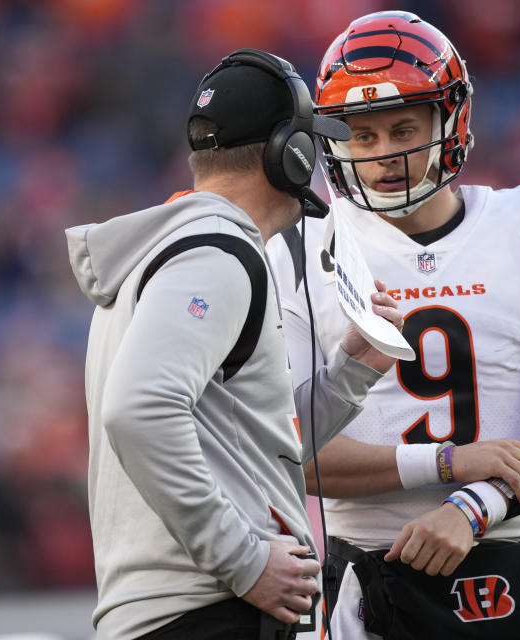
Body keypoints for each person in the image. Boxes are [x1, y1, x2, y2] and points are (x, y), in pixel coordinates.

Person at [266, 11, 520, 640]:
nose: (384, 154)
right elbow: (289, 452)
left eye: (402, 129)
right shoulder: (296, 250)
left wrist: (475, 506)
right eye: (362, 137)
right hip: (373, 579)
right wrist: (449, 464)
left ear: (449, 120)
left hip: (515, 573)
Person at [65, 48, 403, 640]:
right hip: (207, 612)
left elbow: (249, 446)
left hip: (180, 612)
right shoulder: (217, 254)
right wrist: (244, 562)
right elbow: (138, 410)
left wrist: (350, 371)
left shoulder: (174, 255)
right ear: (290, 154)